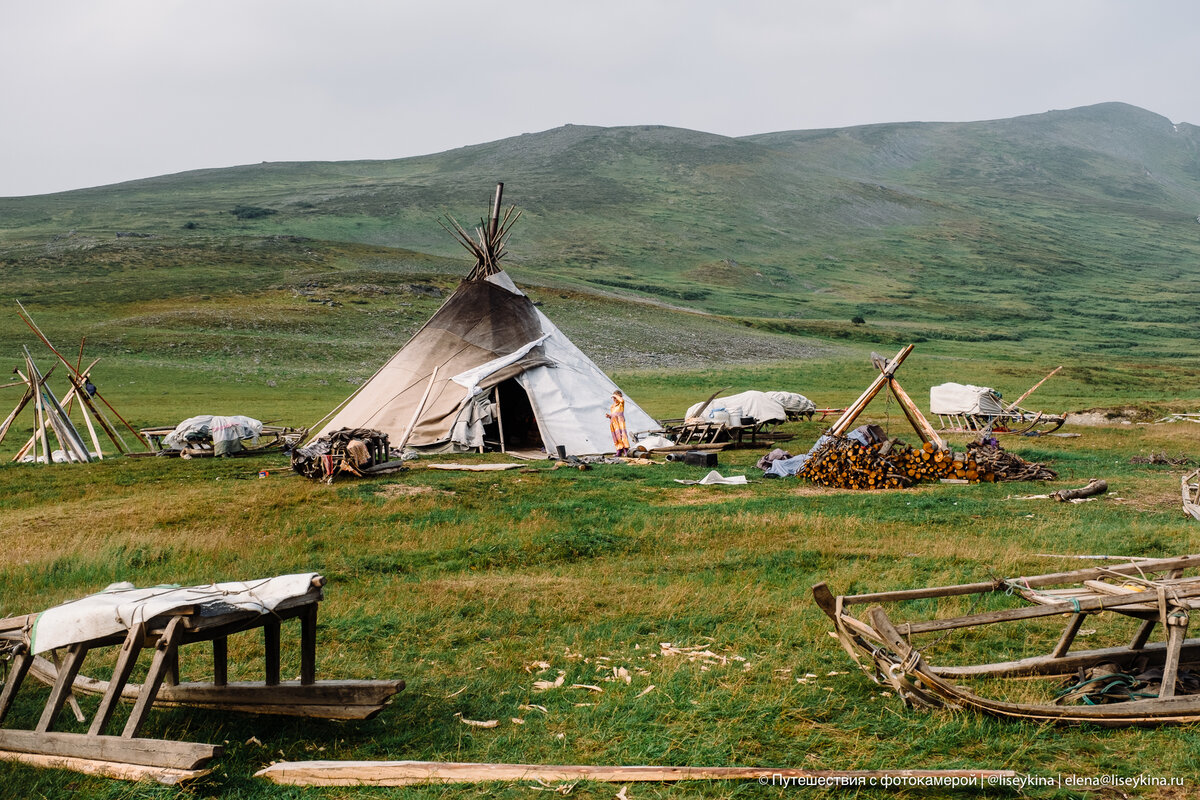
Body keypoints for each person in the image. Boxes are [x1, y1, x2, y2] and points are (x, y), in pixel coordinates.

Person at [606, 389, 630, 457]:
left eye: (615, 397)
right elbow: (613, 414)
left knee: (623, 435)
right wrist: (609, 416)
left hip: (620, 421)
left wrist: (616, 395)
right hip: (614, 422)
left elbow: (622, 400)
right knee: (616, 436)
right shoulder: (612, 406)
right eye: (614, 398)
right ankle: (618, 451)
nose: (614, 399)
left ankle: (626, 450)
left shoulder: (621, 404)